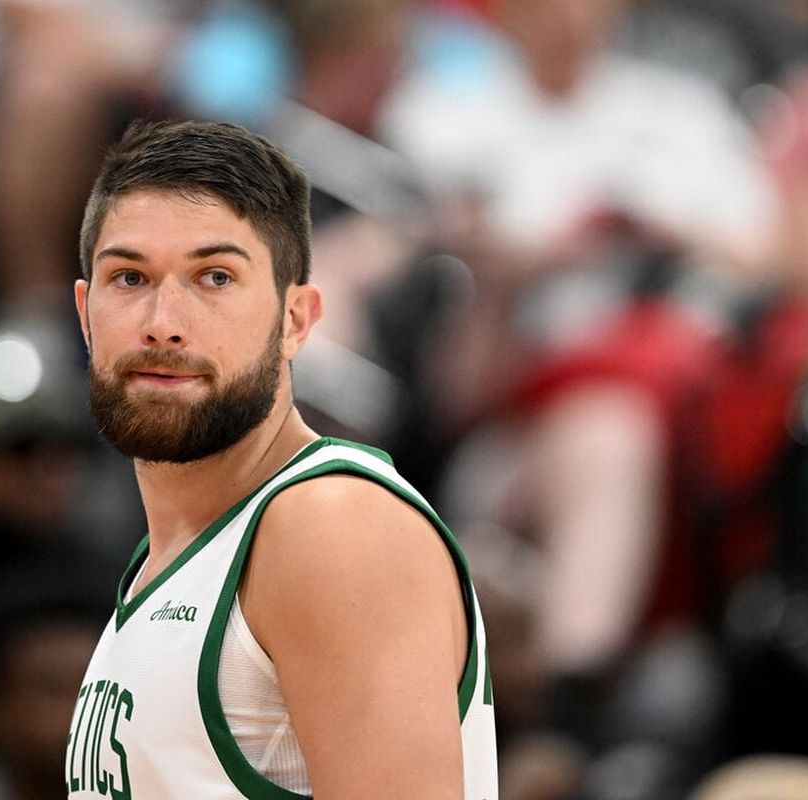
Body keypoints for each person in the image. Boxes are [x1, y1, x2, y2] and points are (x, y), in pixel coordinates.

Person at [66, 120, 497, 799]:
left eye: (213, 276)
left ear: (295, 320)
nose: (162, 319)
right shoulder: (172, 555)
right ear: (87, 314)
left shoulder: (330, 525)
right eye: (129, 277)